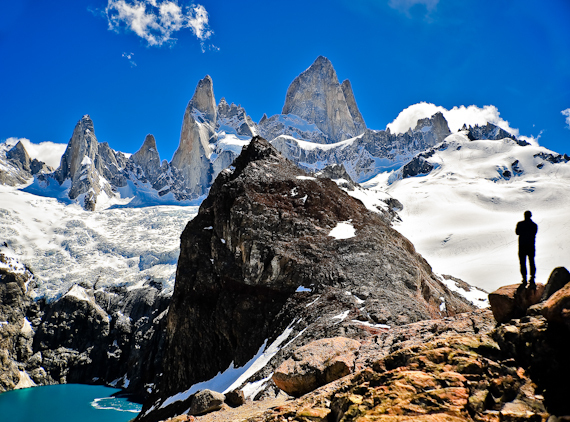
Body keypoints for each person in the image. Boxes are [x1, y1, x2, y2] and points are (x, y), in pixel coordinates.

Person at [515, 210, 538, 286]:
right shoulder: (534, 225)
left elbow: (517, 232)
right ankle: (532, 277)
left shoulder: (520, 224)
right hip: (531, 246)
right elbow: (534, 233)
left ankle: (524, 278)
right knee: (531, 262)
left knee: (522, 263)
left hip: (522, 246)